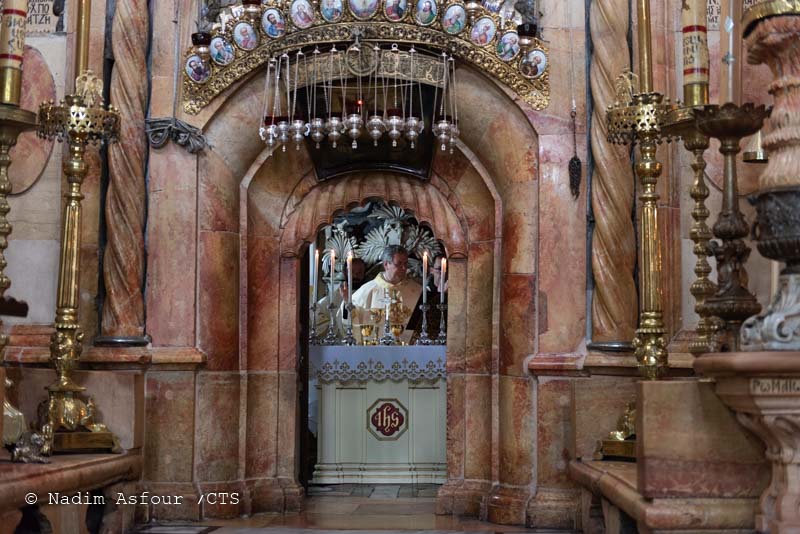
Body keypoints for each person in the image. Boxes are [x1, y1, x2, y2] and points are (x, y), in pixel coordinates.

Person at [350, 245, 422, 339]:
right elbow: (351, 320)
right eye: (399, 264)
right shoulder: (366, 291)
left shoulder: (418, 291)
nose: (404, 268)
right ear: (386, 265)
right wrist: (347, 303)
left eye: (405, 263)